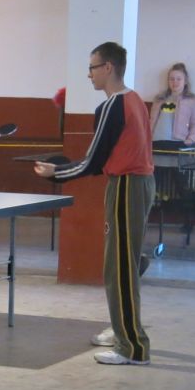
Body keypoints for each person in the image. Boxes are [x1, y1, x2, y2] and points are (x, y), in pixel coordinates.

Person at [35, 42, 154, 366]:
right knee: (121, 265)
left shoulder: (114, 105)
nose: (88, 74)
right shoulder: (134, 99)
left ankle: (132, 347)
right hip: (136, 184)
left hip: (128, 186)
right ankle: (122, 330)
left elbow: (93, 161)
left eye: (92, 67)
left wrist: (56, 173)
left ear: (108, 68)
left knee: (120, 268)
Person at [149, 62, 195, 147]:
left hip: (177, 141)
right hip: (156, 140)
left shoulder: (192, 100)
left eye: (178, 79)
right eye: (171, 79)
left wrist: (191, 139)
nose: (175, 82)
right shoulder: (159, 99)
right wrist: (147, 136)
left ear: (185, 81)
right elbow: (152, 120)